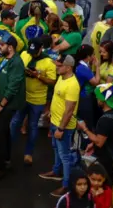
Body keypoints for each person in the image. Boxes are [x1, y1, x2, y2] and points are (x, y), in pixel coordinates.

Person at [10, 37, 56, 165]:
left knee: (32, 126)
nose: (33, 54)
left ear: (41, 48)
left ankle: (29, 153)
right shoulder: (25, 54)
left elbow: (52, 81)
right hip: (23, 96)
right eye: (31, 52)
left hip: (37, 99)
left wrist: (38, 76)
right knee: (15, 123)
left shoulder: (49, 62)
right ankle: (8, 148)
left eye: (35, 52)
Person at [40, 55, 80, 197]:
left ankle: (67, 185)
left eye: (59, 65)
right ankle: (56, 171)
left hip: (64, 127)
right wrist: (50, 112)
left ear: (68, 67)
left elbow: (69, 110)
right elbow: (58, 99)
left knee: (65, 156)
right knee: (56, 149)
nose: (56, 67)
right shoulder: (61, 78)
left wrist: (61, 129)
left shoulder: (72, 85)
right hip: (54, 122)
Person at [0, 34, 24, 182]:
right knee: (4, 132)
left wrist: (2, 104)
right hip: (0, 101)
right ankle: (5, 160)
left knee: (0, 134)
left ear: (10, 47)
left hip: (7, 105)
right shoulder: (7, 59)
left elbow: (13, 86)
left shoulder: (16, 63)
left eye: (1, 45)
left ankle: (0, 168)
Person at [79, 84, 113, 178]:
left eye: (98, 97)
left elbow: (99, 142)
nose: (96, 99)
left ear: (103, 100)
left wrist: (84, 128)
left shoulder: (105, 120)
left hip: (105, 159)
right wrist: (92, 144)